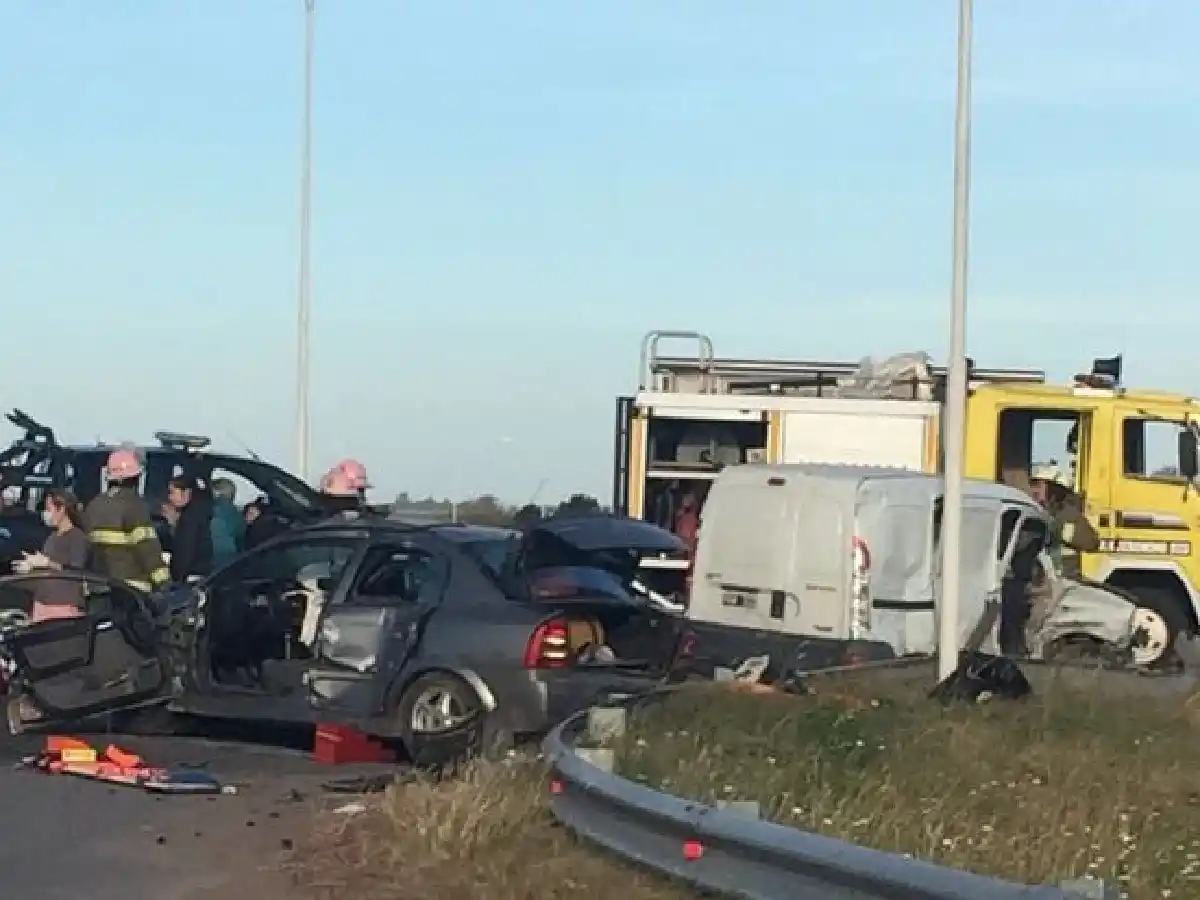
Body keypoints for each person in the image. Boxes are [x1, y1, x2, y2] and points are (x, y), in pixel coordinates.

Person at [83, 449, 170, 593]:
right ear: (134, 478)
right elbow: (147, 549)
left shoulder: (94, 505)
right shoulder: (135, 506)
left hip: (97, 586)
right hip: (131, 589)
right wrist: (165, 583)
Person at [12, 489, 91, 621]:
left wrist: (48, 563)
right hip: (43, 602)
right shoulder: (52, 536)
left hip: (63, 605)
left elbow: (76, 570)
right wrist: (31, 565)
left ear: (62, 509)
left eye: (49, 509)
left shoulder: (77, 537)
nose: (46, 514)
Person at [1029, 463, 1100, 580]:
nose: (1034, 489)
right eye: (1032, 484)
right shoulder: (1031, 511)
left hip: (1064, 579)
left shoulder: (1068, 514)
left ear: (1053, 489)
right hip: (1040, 579)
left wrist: (1062, 531)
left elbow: (1091, 543)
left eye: (1038, 485)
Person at [166, 474, 213, 584]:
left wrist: (175, 579)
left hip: (191, 576)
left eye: (172, 492)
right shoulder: (203, 510)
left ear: (186, 493)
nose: (169, 497)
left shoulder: (190, 518)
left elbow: (184, 551)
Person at [209, 477, 244, 567]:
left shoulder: (207, 509)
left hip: (209, 558)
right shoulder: (236, 513)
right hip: (230, 561)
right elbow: (241, 534)